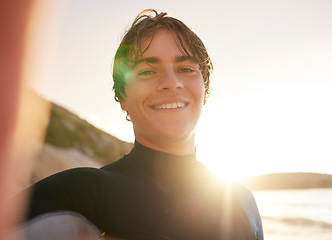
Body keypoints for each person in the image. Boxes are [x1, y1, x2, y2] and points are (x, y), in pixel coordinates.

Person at [16, 9, 264, 240]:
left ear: (205, 89)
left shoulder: (242, 202)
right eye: (147, 71)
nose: (171, 82)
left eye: (186, 68)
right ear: (122, 96)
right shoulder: (78, 196)